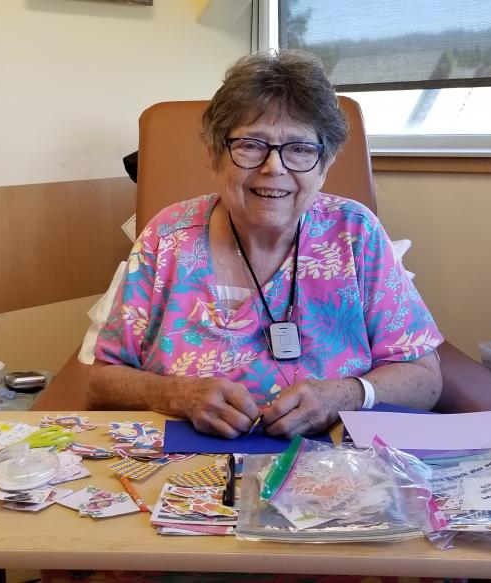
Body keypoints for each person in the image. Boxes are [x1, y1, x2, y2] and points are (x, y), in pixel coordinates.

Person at [90, 49, 444, 439]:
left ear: (325, 166)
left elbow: (424, 378)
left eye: (299, 148)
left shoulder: (355, 234)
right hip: (186, 477)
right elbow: (102, 380)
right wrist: (177, 394)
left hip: (334, 477)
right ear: (214, 156)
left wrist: (344, 396)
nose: (273, 167)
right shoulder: (166, 237)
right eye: (250, 144)